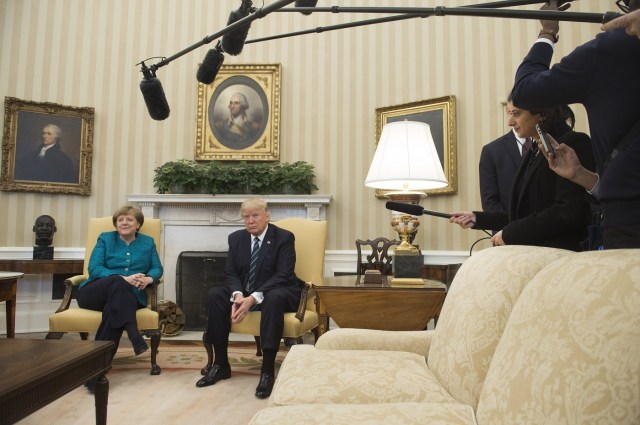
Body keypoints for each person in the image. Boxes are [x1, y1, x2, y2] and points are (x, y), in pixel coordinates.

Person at [510, 0, 640, 248]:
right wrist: (583, 177)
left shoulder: (610, 51)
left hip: (630, 227)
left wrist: (547, 32)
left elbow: (525, 91)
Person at [196, 198, 304, 399]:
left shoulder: (284, 237)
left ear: (267, 216)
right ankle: (220, 364)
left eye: (255, 215)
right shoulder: (236, 238)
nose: (250, 220)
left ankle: (267, 371)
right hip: (246, 291)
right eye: (246, 216)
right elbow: (231, 273)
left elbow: (284, 274)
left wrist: (253, 298)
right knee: (215, 294)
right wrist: (237, 295)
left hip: (281, 290)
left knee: (273, 297)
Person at [450, 102, 595, 251]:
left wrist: (510, 233)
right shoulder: (535, 150)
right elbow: (522, 215)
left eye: (516, 114)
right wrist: (478, 218)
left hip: (562, 258)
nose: (510, 122)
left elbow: (567, 212)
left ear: (542, 114)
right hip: (533, 255)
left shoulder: (574, 143)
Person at [76, 206, 163, 390]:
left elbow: (157, 268)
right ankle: (133, 333)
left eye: (129, 219)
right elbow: (95, 268)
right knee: (117, 282)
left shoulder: (148, 243)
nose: (124, 223)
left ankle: (96, 373)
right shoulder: (105, 238)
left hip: (127, 299)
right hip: (94, 293)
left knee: (112, 311)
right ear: (116, 224)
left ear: (138, 224)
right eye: (120, 219)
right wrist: (123, 279)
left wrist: (148, 279)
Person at [479, 96, 529, 213]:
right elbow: (490, 204)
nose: (510, 122)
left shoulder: (550, 145)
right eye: (511, 113)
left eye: (517, 114)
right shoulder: (491, 152)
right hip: (507, 229)